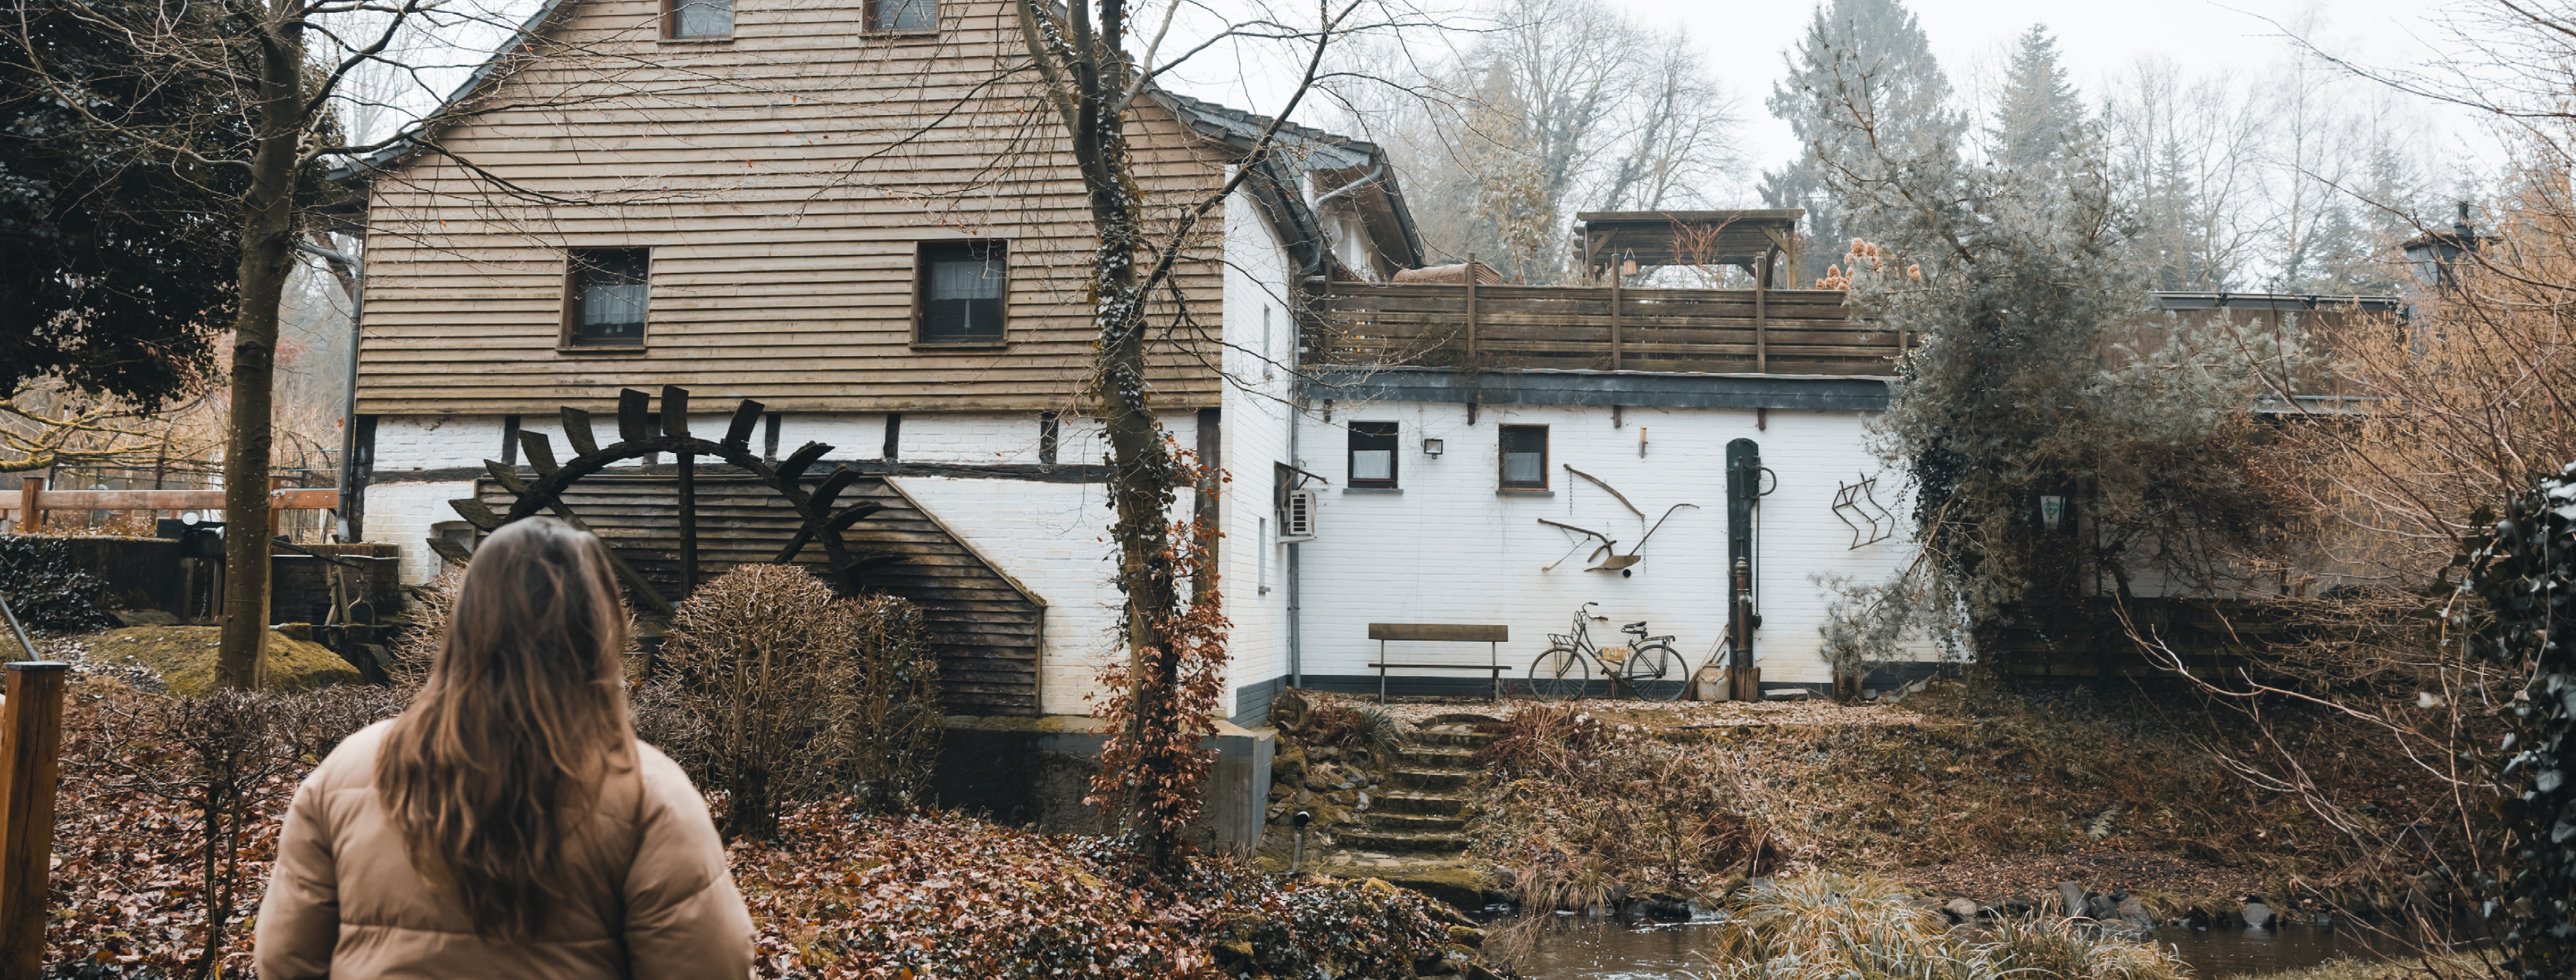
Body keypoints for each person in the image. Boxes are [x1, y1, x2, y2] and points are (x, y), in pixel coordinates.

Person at [257, 518, 753, 979]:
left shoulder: (347, 770)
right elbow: (708, 966)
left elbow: (285, 959)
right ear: (601, 631)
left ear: (463, 623)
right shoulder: (648, 791)